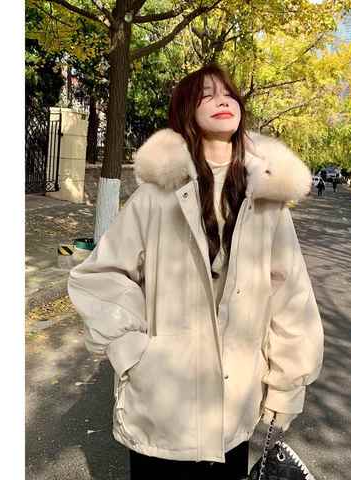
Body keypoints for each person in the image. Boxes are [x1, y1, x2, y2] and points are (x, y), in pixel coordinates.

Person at [68, 63, 324, 479]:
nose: (222, 100)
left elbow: (291, 296)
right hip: (163, 406)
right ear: (187, 111)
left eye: (228, 93)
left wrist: (286, 384)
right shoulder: (157, 196)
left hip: (233, 406)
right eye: (206, 94)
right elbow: (101, 275)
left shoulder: (267, 202)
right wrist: (133, 351)